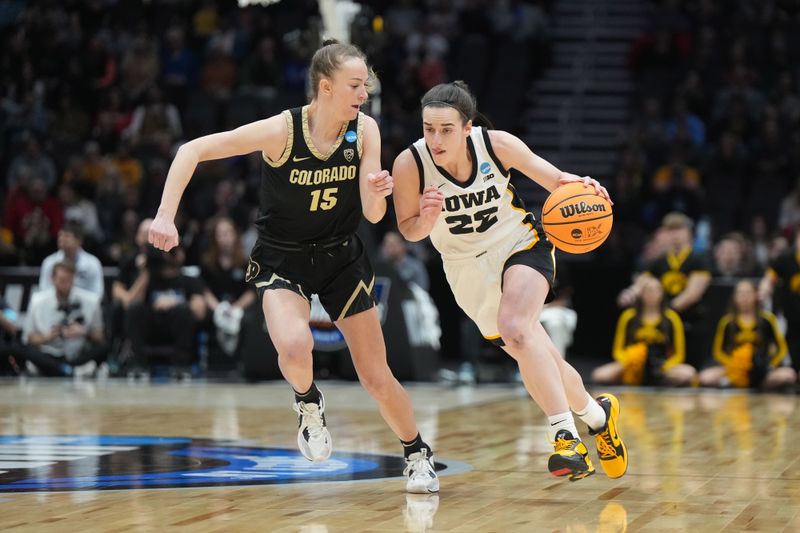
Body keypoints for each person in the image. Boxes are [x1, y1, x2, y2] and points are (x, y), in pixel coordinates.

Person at [147, 40, 438, 493]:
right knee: (295, 346)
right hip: (283, 255)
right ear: (326, 87)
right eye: (355, 85)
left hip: (341, 256)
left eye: (366, 85)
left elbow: (374, 216)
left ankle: (417, 452)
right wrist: (165, 215)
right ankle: (308, 403)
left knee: (377, 378)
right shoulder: (282, 131)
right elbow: (191, 150)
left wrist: (377, 191)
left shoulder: (365, 132)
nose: (364, 93)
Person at [391, 81, 627, 481]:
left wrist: (586, 188)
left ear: (468, 128)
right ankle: (597, 415)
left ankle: (565, 438)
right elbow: (408, 229)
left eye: (446, 129)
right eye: (429, 128)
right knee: (538, 352)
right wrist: (425, 222)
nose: (435, 138)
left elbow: (556, 180)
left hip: (520, 243)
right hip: (465, 268)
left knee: (516, 328)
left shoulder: (496, 145)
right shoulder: (409, 164)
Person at [618, 212, 712, 368]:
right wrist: (630, 293)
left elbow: (693, 294)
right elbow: (643, 282)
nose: (675, 235)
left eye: (679, 230)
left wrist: (665, 312)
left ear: (689, 233)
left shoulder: (699, 258)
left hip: (691, 320)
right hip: (667, 322)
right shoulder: (660, 261)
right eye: (671, 230)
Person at [592, 277, 697, 386]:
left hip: (661, 364)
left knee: (689, 374)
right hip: (633, 364)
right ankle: (630, 379)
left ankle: (661, 381)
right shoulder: (629, 317)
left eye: (656, 290)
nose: (652, 294)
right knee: (600, 375)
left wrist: (666, 366)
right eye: (648, 290)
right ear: (641, 294)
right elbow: (618, 349)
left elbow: (679, 353)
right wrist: (628, 361)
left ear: (662, 293)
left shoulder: (671, 318)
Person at [700, 280, 797, 389]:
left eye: (748, 293)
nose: (744, 298)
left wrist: (770, 365)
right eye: (741, 293)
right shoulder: (727, 322)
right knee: (705, 377)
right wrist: (734, 365)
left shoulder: (767, 320)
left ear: (755, 295)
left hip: (762, 370)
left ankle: (759, 384)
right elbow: (718, 351)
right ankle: (735, 382)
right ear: (734, 297)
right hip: (734, 369)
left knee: (789, 375)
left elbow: (781, 349)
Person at [21, 260, 106, 377]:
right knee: (22, 350)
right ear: (52, 279)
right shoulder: (37, 301)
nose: (66, 285)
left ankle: (61, 370)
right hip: (48, 354)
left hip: (77, 355)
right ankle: (66, 370)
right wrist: (47, 337)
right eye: (62, 280)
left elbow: (100, 338)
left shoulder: (91, 300)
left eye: (69, 280)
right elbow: (28, 338)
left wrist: (84, 332)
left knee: (104, 348)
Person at [39, 221, 105, 299]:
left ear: (79, 240)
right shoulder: (49, 262)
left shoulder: (92, 263)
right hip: (55, 305)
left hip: (84, 307)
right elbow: (44, 291)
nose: (61, 239)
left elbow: (97, 293)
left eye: (66, 236)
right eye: (60, 236)